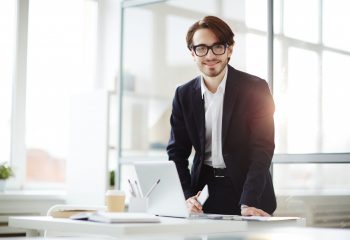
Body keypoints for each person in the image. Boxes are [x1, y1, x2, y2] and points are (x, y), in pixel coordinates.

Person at [166, 16, 276, 216]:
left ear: (230, 50)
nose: (209, 55)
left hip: (249, 191)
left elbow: (263, 149)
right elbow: (176, 153)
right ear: (192, 53)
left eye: (217, 47)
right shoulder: (183, 95)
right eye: (201, 48)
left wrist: (248, 202)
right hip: (203, 193)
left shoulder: (256, 89)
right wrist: (187, 196)